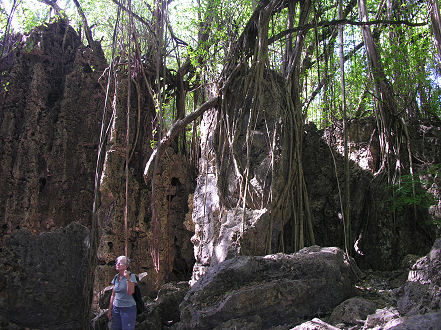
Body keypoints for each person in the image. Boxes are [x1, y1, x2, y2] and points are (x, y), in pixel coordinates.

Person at [107, 256, 138, 330]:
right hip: (116, 308)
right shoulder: (116, 277)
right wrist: (110, 309)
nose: (117, 264)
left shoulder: (131, 276)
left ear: (126, 266)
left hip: (128, 308)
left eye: (120, 263)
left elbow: (130, 292)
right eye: (117, 262)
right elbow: (113, 294)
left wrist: (127, 278)